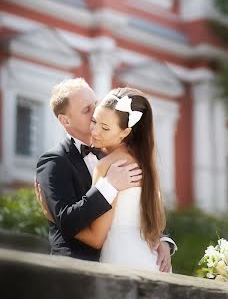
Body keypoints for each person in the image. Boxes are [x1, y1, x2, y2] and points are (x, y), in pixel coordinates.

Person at [35, 78, 175, 271]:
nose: (96, 112)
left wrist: (163, 239)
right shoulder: (54, 162)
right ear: (65, 120)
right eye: (87, 110)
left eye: (96, 103)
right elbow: (67, 220)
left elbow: (147, 203)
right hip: (75, 270)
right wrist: (109, 186)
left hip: (127, 259)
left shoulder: (122, 154)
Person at [76, 86, 173, 272]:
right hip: (151, 261)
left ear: (125, 133)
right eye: (94, 121)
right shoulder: (146, 164)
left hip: (121, 259)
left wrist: (55, 217)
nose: (95, 132)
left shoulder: (108, 167)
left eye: (105, 128)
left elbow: (96, 237)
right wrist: (163, 240)